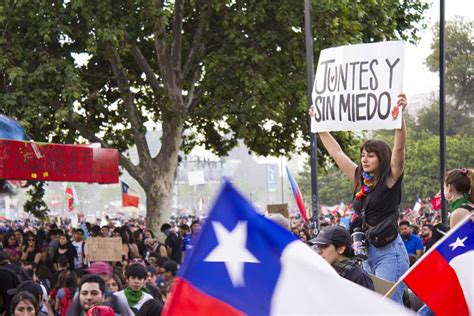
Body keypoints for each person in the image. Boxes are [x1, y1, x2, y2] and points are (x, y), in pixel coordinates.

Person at [309, 93, 409, 304]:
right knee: (373, 305)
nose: (364, 159)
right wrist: (319, 126)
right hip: (367, 252)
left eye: (370, 155)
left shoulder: (390, 179)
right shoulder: (359, 178)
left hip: (390, 252)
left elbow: (399, 149)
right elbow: (337, 153)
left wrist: (400, 119)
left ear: (381, 158)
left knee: (388, 306)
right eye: (363, 155)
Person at [312, 225, 375, 290]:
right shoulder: (323, 271)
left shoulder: (359, 277)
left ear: (341, 249)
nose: (319, 251)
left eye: (324, 246)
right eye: (318, 246)